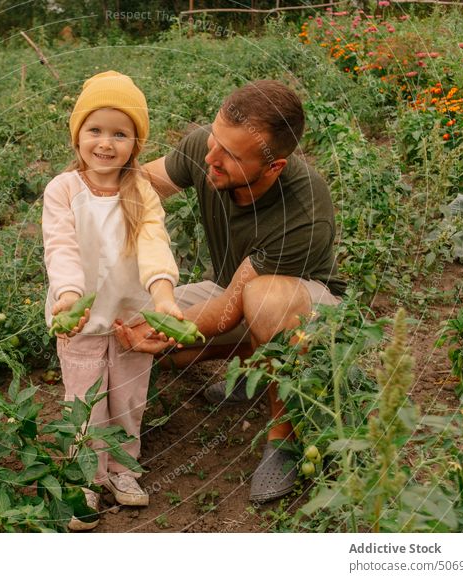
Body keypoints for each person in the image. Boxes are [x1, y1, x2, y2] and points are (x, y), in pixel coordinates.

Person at [114, 79, 346, 503]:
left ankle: (284, 440)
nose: (210, 159)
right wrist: (86, 189)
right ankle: (254, 367)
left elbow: (229, 308)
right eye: (215, 140)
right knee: (134, 320)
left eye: (231, 156)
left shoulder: (305, 208)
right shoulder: (210, 148)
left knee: (264, 302)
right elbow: (144, 184)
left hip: (307, 308)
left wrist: (165, 328)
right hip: (233, 290)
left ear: (273, 166)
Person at [42, 71, 183, 530]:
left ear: (136, 144)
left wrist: (163, 295)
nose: (105, 143)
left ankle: (122, 469)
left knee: (127, 398)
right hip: (79, 318)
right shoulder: (63, 189)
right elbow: (60, 245)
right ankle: (85, 476)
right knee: (84, 400)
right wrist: (67, 295)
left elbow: (153, 242)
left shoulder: (140, 190)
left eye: (120, 133)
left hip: (130, 317)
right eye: (95, 130)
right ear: (77, 134)